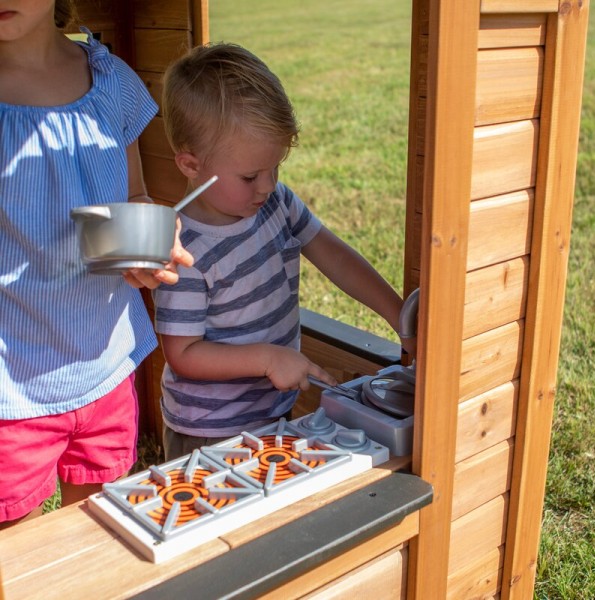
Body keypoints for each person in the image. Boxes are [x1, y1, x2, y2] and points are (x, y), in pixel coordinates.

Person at [153, 42, 407, 460]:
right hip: (209, 432)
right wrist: (269, 359)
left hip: (272, 411)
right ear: (190, 165)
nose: (268, 185)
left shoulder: (275, 203)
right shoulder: (182, 249)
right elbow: (184, 354)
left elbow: (332, 253)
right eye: (251, 174)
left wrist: (396, 312)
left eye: (276, 168)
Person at [0, 0, 193, 528]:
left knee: (101, 535)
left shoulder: (110, 78)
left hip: (105, 365)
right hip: (11, 387)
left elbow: (135, 196)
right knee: (16, 559)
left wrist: (153, 237)